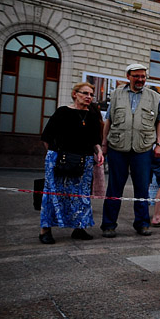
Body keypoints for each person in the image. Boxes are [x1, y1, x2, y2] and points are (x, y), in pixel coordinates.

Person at [101, 63, 160, 238]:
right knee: (114, 187)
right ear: (128, 76)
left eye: (143, 76)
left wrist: (159, 144)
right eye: (136, 76)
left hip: (143, 148)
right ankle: (108, 225)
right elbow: (109, 121)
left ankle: (142, 224)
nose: (140, 80)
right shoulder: (115, 95)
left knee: (142, 188)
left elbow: (159, 122)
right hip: (117, 147)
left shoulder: (154, 96)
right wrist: (104, 144)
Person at [39, 82, 104, 244]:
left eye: (91, 94)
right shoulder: (62, 112)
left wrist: (99, 151)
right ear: (75, 94)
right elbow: (46, 137)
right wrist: (53, 155)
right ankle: (45, 230)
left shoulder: (93, 116)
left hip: (84, 160)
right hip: (59, 158)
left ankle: (79, 228)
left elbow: (96, 140)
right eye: (85, 93)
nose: (88, 97)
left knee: (81, 195)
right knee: (53, 193)